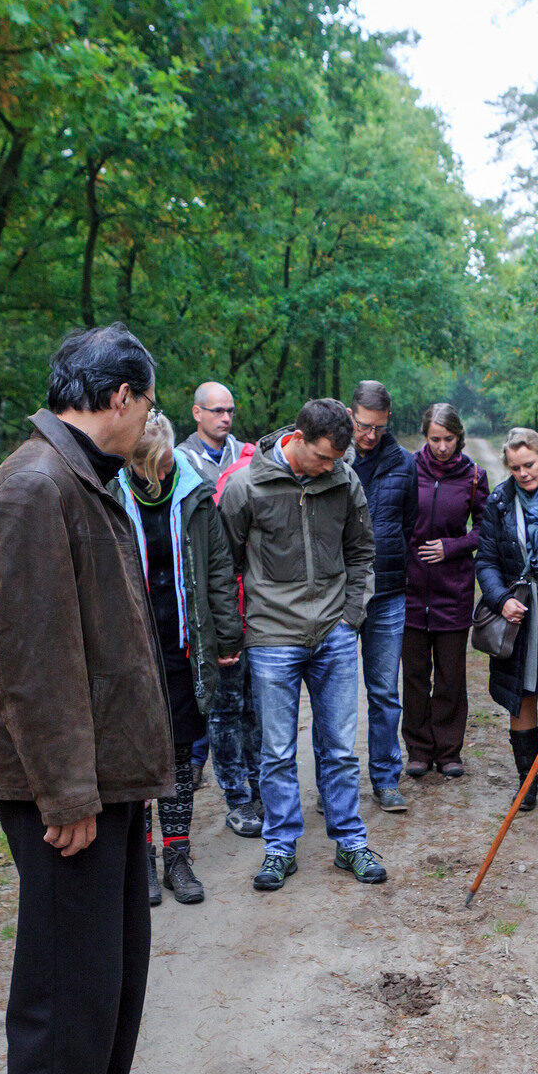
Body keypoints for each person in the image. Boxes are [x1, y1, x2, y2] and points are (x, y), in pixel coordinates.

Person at [0, 324, 174, 1074]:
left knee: (113, 966)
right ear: (118, 396)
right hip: (65, 784)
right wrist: (68, 796)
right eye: (151, 403)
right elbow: (33, 662)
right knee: (61, 980)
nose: (151, 419)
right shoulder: (35, 485)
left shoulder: (85, 476)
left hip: (109, 769)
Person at [220, 398, 386, 892]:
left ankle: (350, 841)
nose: (332, 467)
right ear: (296, 439)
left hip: (333, 631)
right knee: (275, 750)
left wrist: (351, 615)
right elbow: (223, 564)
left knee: (338, 748)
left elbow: (362, 551)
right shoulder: (247, 485)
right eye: (323, 457)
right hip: (272, 635)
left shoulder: (344, 480)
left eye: (339, 459)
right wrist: (239, 629)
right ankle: (280, 848)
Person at [112, 413, 242, 905]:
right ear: (138, 465)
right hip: (131, 650)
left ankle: (177, 856)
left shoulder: (194, 492)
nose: (166, 471)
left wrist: (228, 635)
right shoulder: (111, 493)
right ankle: (142, 858)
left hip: (182, 644)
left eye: (168, 461)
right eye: (157, 465)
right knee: (140, 758)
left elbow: (218, 568)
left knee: (181, 757)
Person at [475, 428, 538, 813]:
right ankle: (527, 783)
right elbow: (485, 561)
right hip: (520, 613)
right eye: (515, 467)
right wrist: (501, 600)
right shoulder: (499, 502)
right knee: (523, 695)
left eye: (530, 464)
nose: (523, 473)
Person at [340, 380, 417, 809]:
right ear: (351, 415)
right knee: (335, 696)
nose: (371, 435)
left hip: (388, 593)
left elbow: (409, 523)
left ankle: (387, 779)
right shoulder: (333, 457)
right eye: (365, 426)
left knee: (385, 692)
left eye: (380, 428)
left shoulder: (404, 463)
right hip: (339, 595)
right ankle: (338, 786)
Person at [403, 403, 489, 778]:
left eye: (448, 439)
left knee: (451, 676)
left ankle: (449, 750)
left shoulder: (474, 476)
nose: (441, 447)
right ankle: (419, 750)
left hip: (453, 591)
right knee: (415, 675)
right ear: (425, 437)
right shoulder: (407, 470)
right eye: (435, 439)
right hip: (409, 590)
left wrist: (452, 546)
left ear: (459, 437)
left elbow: (486, 530)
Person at [177, 380, 255, 790]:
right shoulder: (178, 461)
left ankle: (249, 780)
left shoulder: (248, 457)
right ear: (196, 413)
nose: (225, 418)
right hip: (200, 591)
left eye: (230, 411)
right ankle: (195, 759)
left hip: (245, 590)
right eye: (216, 411)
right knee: (207, 690)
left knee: (246, 702)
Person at [209, 442, 264, 839]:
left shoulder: (273, 478)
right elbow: (218, 566)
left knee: (257, 710)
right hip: (227, 618)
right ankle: (237, 796)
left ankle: (261, 789)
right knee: (228, 708)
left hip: (262, 619)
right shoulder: (234, 484)